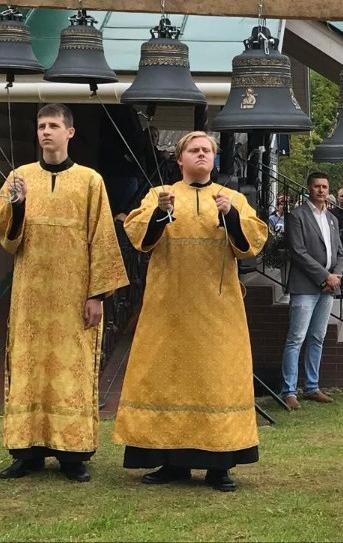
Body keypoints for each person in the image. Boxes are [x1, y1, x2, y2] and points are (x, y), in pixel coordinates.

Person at [113, 132, 267, 491]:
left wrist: (230, 216)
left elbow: (251, 245)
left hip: (219, 312)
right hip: (168, 310)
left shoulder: (233, 198)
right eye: (194, 150)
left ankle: (219, 466)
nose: (201, 154)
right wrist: (161, 213)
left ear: (214, 158)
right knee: (167, 382)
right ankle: (171, 463)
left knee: (217, 383)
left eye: (207, 150)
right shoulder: (159, 195)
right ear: (180, 159)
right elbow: (140, 240)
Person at [0, 103, 128, 483]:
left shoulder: (90, 181)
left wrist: (97, 295)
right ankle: (26, 452)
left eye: (53, 125)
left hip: (74, 297)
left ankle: (73, 455)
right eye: (41, 126)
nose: (46, 132)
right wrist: (17, 206)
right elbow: (6, 234)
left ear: (70, 132)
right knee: (28, 368)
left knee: (72, 371)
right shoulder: (19, 177)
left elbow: (102, 238)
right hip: (30, 297)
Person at [280, 172, 343, 410]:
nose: (321, 190)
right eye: (317, 186)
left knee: (317, 337)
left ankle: (312, 386)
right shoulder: (297, 216)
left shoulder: (332, 219)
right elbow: (298, 252)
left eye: (325, 187)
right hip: (305, 286)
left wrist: (336, 276)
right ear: (309, 188)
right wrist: (325, 276)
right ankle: (289, 391)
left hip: (328, 288)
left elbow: (340, 253)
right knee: (296, 338)